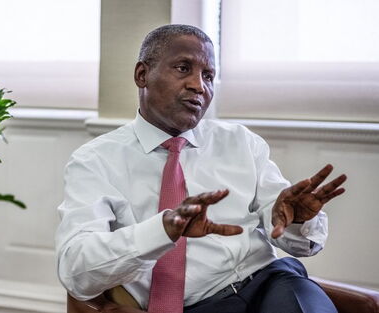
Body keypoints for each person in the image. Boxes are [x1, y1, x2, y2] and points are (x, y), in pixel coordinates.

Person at [56, 24, 347, 313]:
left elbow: (301, 245)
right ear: (142, 75)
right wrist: (163, 230)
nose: (199, 85)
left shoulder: (241, 143)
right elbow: (77, 272)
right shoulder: (95, 161)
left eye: (208, 76)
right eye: (183, 68)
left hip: (271, 284)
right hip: (196, 306)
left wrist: (296, 220)